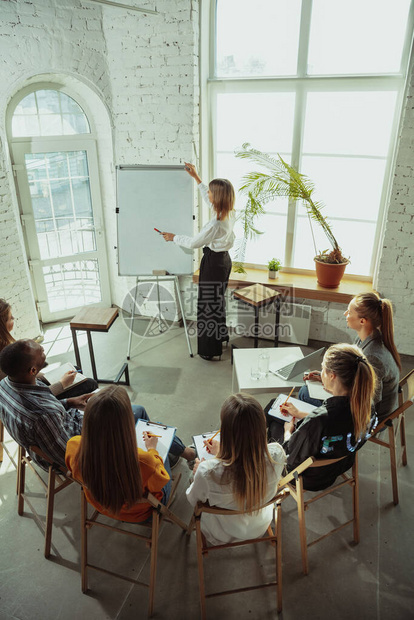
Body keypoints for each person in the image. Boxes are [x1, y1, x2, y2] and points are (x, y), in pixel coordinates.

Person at [0, 339, 194, 470]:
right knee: (134, 412)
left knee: (124, 407)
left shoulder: (5, 385)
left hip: (65, 426)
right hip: (82, 446)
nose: (44, 351)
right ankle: (181, 454)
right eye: (40, 352)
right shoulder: (43, 416)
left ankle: (177, 451)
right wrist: (103, 433)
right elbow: (70, 459)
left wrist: (69, 402)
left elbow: (43, 402)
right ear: (33, 370)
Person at [186, 393, 286, 546]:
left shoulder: (207, 471)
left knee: (190, 474)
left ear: (226, 431)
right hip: (259, 525)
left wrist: (197, 473)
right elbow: (245, 466)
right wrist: (221, 454)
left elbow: (193, 499)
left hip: (222, 532)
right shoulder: (277, 454)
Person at [65, 386, 172, 522]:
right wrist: (153, 450)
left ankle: (186, 452)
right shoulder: (145, 461)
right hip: (141, 513)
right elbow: (161, 480)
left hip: (100, 504)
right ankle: (187, 453)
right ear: (126, 423)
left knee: (142, 413)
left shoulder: (73, 445)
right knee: (162, 439)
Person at [162, 163, 235, 360]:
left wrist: (174, 237)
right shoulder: (227, 213)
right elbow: (209, 202)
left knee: (207, 305)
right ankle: (220, 337)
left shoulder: (215, 224)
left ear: (217, 197)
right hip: (224, 262)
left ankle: (209, 350)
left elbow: (194, 243)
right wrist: (197, 179)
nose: (208, 195)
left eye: (211, 192)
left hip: (213, 264)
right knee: (216, 302)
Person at [281, 344, 378, 491]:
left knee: (274, 418)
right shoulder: (366, 406)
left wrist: (288, 432)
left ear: (333, 375)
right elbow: (333, 424)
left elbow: (291, 459)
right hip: (339, 466)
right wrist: (301, 414)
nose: (321, 373)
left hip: (310, 478)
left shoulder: (319, 420)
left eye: (323, 370)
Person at [297, 293, 401, 422]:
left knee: (304, 393)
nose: (345, 314)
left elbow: (369, 403)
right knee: (307, 388)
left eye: (349, 312)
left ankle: (313, 432)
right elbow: (354, 374)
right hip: (359, 397)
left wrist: (335, 390)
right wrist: (325, 378)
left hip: (368, 415)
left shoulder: (372, 357)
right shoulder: (366, 338)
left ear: (362, 321)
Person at [0, 298, 97, 398]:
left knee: (75, 370)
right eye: (10, 318)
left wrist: (47, 378)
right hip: (37, 395)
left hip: (32, 385)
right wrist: (61, 383)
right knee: (90, 383)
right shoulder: (4, 359)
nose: (14, 318)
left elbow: (24, 376)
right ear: (2, 325)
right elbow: (32, 396)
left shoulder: (6, 348)